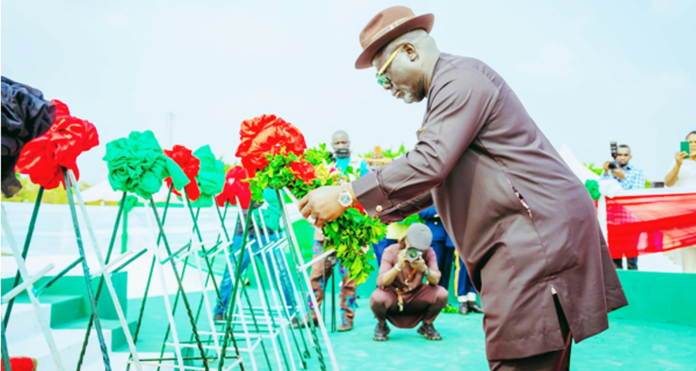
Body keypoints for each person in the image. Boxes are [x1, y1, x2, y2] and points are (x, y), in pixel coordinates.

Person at [298, 6, 627, 370]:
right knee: (536, 358)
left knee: (519, 355)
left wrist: (347, 195)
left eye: (384, 75)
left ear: (410, 52)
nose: (387, 88)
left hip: (534, 237)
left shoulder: (460, 81)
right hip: (531, 234)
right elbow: (435, 179)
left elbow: (430, 162)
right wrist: (359, 210)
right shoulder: (450, 89)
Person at [308, 130, 369, 332]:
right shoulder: (324, 165)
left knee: (349, 279)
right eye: (337, 142)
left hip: (349, 233)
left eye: (344, 141)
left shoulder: (359, 165)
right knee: (317, 275)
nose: (341, 144)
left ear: (349, 142)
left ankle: (347, 318)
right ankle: (312, 315)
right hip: (324, 231)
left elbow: (368, 192)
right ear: (332, 145)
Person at [370, 224, 448, 341]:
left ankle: (427, 324)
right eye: (413, 247)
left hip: (417, 294)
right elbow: (382, 282)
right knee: (377, 297)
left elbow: (436, 280)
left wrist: (425, 269)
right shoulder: (391, 251)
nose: (415, 252)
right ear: (406, 239)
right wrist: (398, 266)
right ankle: (381, 325)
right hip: (394, 295)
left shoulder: (429, 252)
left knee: (442, 293)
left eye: (419, 250)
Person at [600, 144, 645, 270]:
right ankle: (619, 288)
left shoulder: (637, 172)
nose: (622, 158)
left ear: (630, 157)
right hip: (613, 222)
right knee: (615, 259)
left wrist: (622, 178)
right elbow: (603, 189)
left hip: (631, 222)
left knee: (632, 260)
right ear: (614, 155)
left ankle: (633, 288)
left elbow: (636, 194)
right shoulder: (609, 171)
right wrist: (607, 172)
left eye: (625, 155)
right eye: (619, 154)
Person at [664, 130, 696, 273]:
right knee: (688, 257)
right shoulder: (678, 161)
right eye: (690, 142)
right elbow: (669, 183)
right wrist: (678, 164)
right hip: (685, 214)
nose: (693, 145)